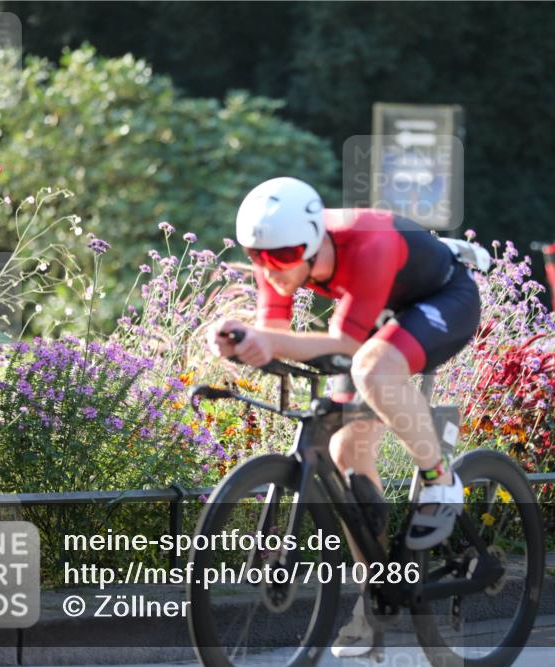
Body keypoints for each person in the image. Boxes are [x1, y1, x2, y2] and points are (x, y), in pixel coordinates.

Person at [206, 176, 485, 657]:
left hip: (441, 299)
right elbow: (276, 332)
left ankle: (441, 478)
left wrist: (267, 339)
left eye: (280, 257)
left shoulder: (366, 243)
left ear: (313, 242)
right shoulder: (277, 254)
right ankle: (374, 602)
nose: (269, 270)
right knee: (343, 448)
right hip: (382, 309)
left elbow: (348, 345)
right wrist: (243, 339)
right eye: (257, 257)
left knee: (374, 369)